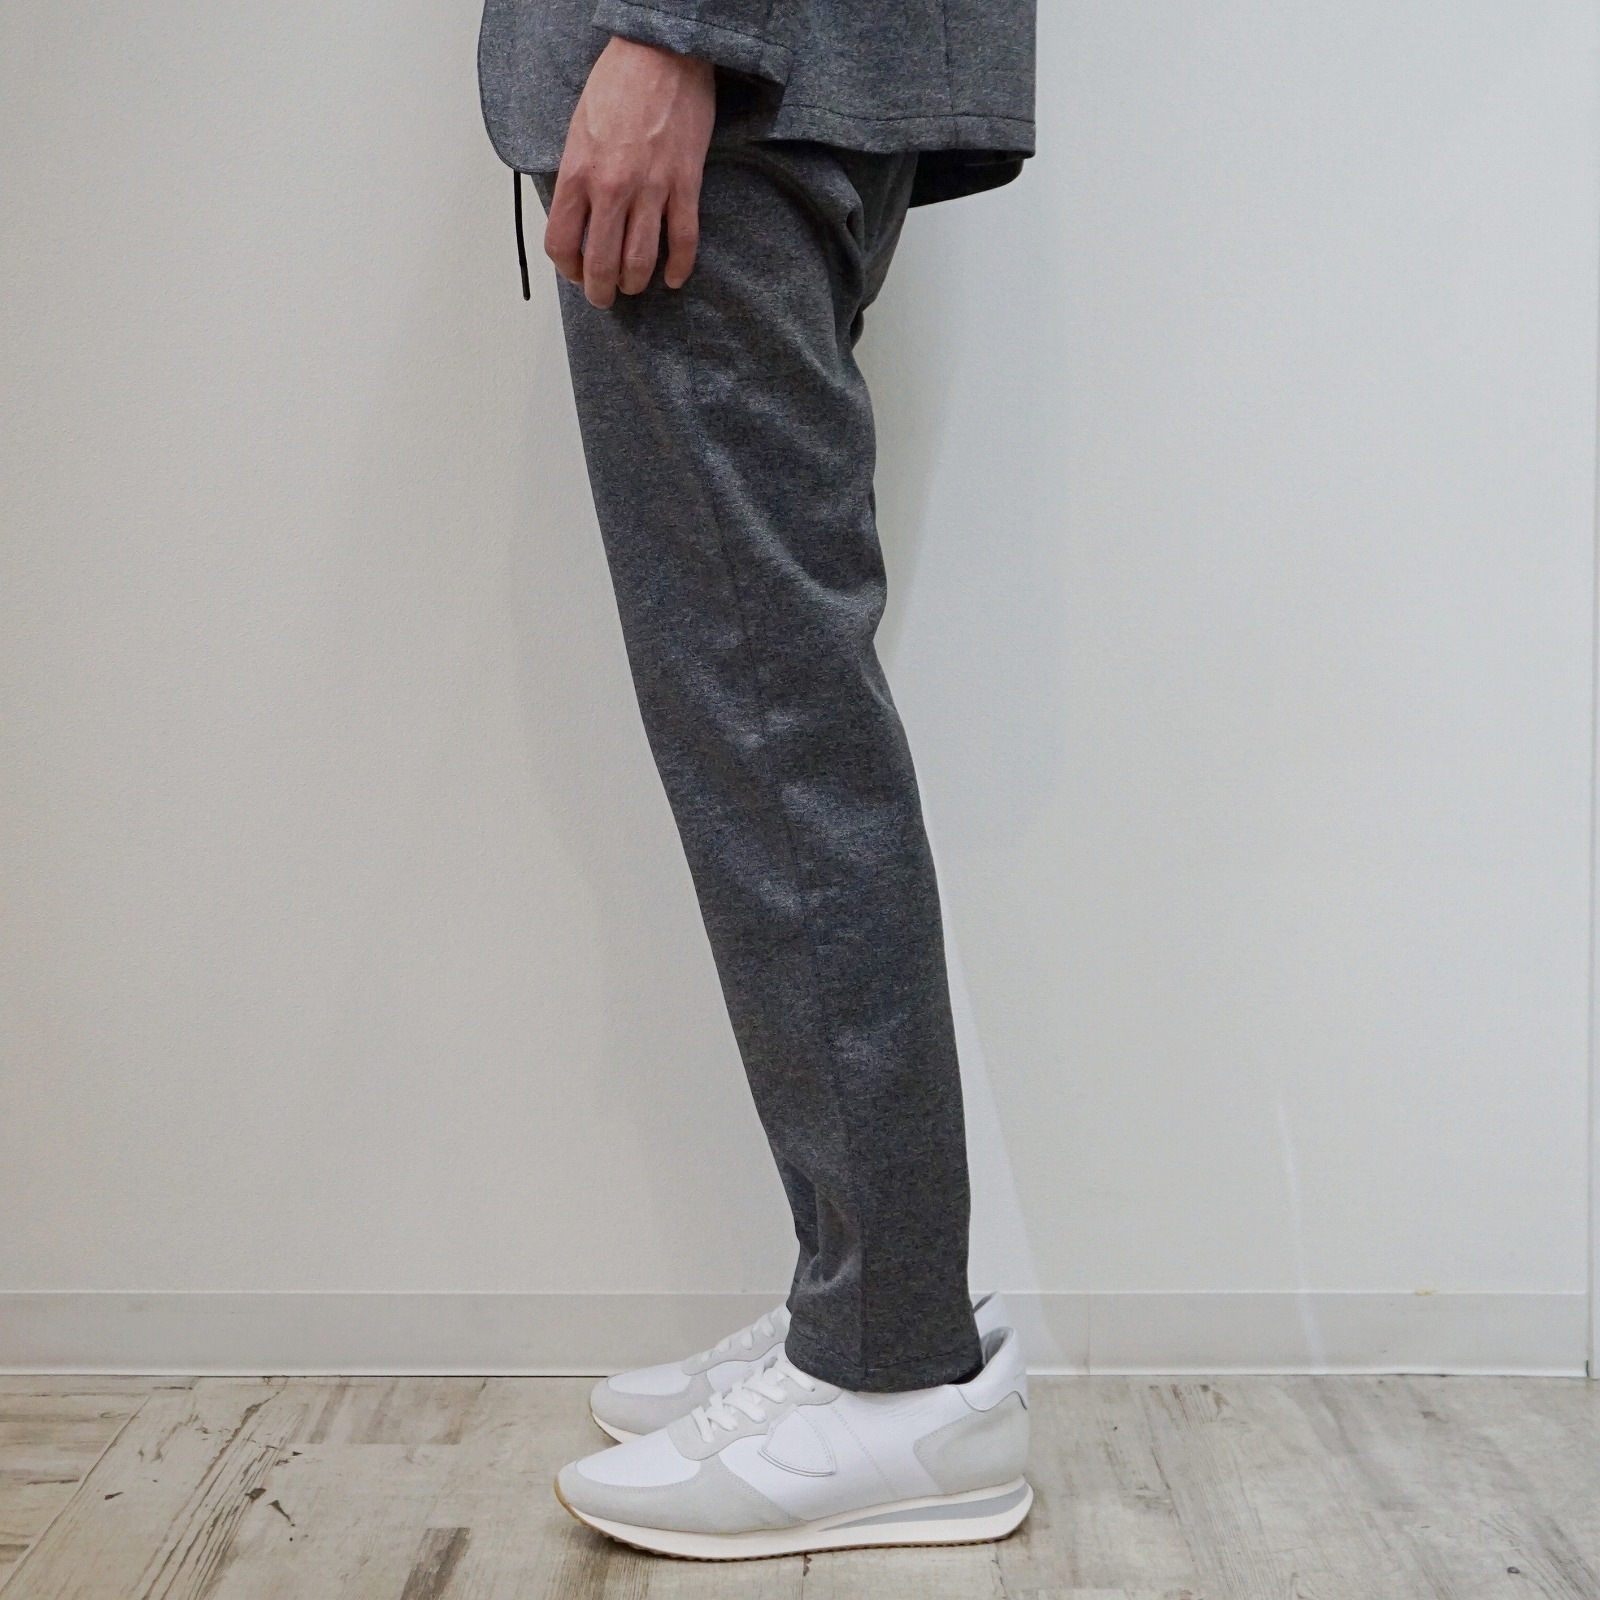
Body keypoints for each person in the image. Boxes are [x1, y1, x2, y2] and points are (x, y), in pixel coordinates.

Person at [477, 0, 1037, 1559]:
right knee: (772, 712)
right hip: (797, 74)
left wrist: (674, 34)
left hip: (734, 74)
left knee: (776, 722)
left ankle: (892, 1373)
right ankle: (859, 1308)